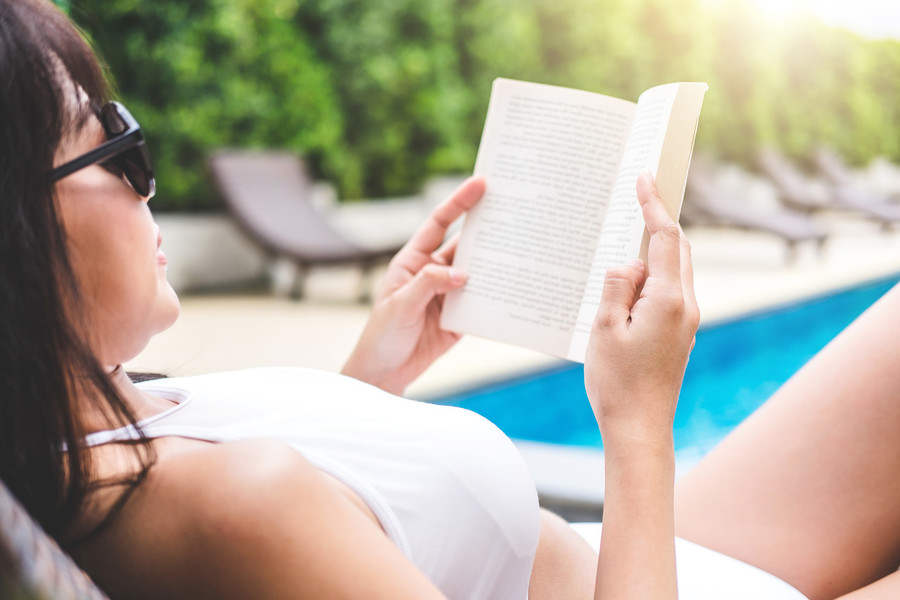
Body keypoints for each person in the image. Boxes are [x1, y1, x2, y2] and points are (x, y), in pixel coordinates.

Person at [7, 0, 897, 599]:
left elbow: (338, 525)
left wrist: (369, 379)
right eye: (112, 143)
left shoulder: (94, 430)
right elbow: (267, 522)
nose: (146, 179)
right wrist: (637, 421)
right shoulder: (227, 504)